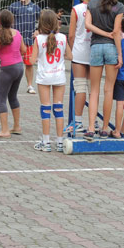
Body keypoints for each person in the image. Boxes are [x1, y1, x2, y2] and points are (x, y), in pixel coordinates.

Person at [84, 0, 124, 141]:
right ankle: (105, 127)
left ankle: (91, 127)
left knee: (94, 90)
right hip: (111, 49)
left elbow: (88, 25)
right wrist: (120, 54)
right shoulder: (119, 6)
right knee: (109, 89)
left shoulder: (92, 3)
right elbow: (116, 33)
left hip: (95, 47)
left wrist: (102, 33)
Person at [30, 10, 72, 152]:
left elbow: (31, 60)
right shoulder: (63, 38)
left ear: (41, 24)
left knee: (45, 108)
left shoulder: (39, 39)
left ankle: (46, 142)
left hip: (44, 76)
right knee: (59, 109)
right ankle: (60, 142)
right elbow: (70, 55)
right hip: (59, 75)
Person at [0, 10, 26, 138]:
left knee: (0, 99)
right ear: (12, 21)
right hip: (19, 67)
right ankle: (16, 126)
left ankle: (4, 130)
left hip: (7, 68)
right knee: (13, 96)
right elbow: (24, 50)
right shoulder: (18, 33)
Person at [66, 0, 94, 133]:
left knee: (80, 87)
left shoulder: (76, 9)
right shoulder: (98, 7)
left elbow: (71, 35)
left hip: (79, 50)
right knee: (93, 88)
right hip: (94, 49)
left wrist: (71, 50)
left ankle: (77, 122)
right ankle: (94, 121)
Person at [9, 0, 40, 94]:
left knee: (29, 64)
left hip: (29, 40)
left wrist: (38, 30)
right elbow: (8, 20)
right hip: (16, 40)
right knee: (14, 64)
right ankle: (11, 85)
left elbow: (42, 20)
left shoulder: (35, 7)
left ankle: (30, 85)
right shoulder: (13, 6)